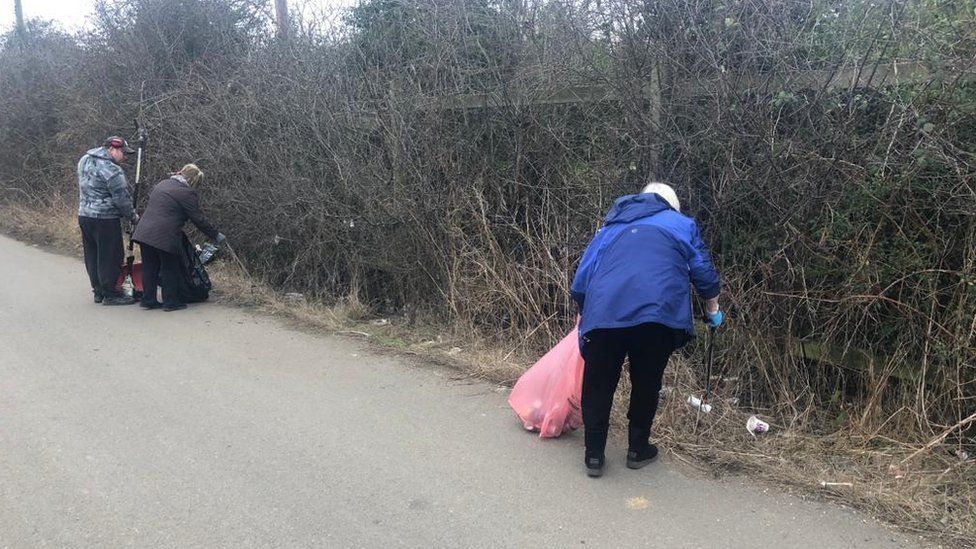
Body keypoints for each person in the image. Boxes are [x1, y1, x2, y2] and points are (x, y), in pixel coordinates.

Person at [570, 182, 723, 478]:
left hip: (605, 311)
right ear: (671, 206)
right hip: (658, 314)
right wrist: (713, 311)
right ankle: (638, 449)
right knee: (646, 380)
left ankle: (593, 455)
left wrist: (586, 310)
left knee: (599, 381)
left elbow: (582, 277)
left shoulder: (610, 227)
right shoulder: (681, 224)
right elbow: (703, 272)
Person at [132, 164, 224, 311]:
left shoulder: (163, 183)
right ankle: (171, 301)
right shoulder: (186, 193)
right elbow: (198, 219)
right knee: (170, 267)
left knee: (150, 266)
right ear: (193, 180)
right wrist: (215, 235)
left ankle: (148, 299)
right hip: (165, 235)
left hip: (144, 232)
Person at [77, 136, 140, 306]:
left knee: (92, 254)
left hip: (84, 214)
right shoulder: (112, 169)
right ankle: (110, 293)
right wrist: (133, 217)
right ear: (112, 149)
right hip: (105, 218)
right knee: (110, 255)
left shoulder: (84, 159)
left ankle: (98, 291)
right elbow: (121, 199)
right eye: (123, 153)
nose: (124, 157)